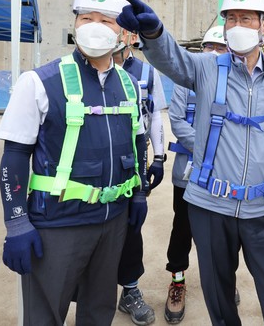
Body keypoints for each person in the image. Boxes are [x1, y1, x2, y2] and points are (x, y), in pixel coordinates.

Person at [116, 0, 264, 326]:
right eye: (230, 19)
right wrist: (155, 33)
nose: (236, 27)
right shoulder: (206, 68)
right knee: (219, 295)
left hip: (261, 209)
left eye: (245, 19)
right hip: (209, 206)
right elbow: (173, 60)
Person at [0, 0, 148, 324]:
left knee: (99, 310)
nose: (95, 27)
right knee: (45, 314)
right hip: (58, 223)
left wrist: (138, 192)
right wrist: (17, 221)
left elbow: (137, 141)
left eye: (106, 20)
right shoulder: (39, 82)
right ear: (74, 24)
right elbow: (15, 156)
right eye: (86, 18)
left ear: (122, 31)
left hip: (113, 222)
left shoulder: (129, 84)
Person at [164, 25, 236, 324]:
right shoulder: (185, 83)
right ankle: (178, 281)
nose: (214, 53)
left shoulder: (236, 84)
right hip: (189, 173)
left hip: (224, 177)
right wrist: (207, 149)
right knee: (182, 230)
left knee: (222, 236)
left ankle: (223, 285)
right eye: (209, 47)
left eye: (221, 48)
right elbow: (177, 119)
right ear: (201, 49)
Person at [112, 29, 166, 325]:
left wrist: (157, 157)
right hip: (96, 159)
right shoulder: (82, 68)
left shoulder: (146, 72)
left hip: (135, 156)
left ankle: (129, 290)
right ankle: (92, 291)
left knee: (132, 224)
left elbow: (155, 114)